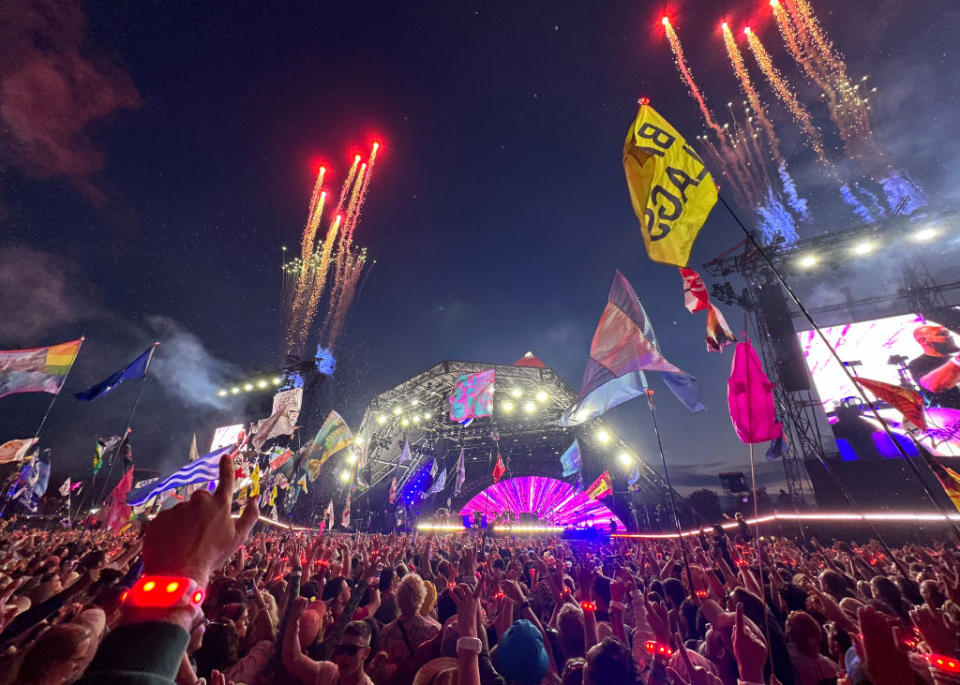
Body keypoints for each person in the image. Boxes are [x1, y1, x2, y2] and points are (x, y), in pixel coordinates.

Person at [908, 324, 960, 409]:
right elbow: (934, 386)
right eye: (942, 334)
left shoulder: (954, 359)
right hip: (951, 417)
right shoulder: (918, 363)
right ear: (923, 340)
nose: (950, 337)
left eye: (948, 333)